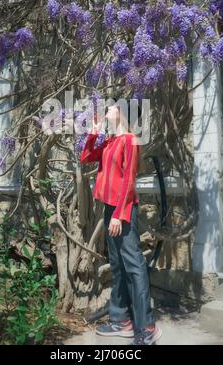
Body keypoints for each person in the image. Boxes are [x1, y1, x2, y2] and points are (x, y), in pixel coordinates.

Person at [80, 98, 162, 345]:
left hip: (123, 210)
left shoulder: (129, 141)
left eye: (114, 106)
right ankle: (121, 320)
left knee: (134, 265)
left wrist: (119, 214)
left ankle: (147, 327)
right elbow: (86, 158)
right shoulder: (110, 141)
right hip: (110, 209)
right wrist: (94, 133)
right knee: (117, 265)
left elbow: (129, 180)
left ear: (123, 114)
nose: (109, 108)